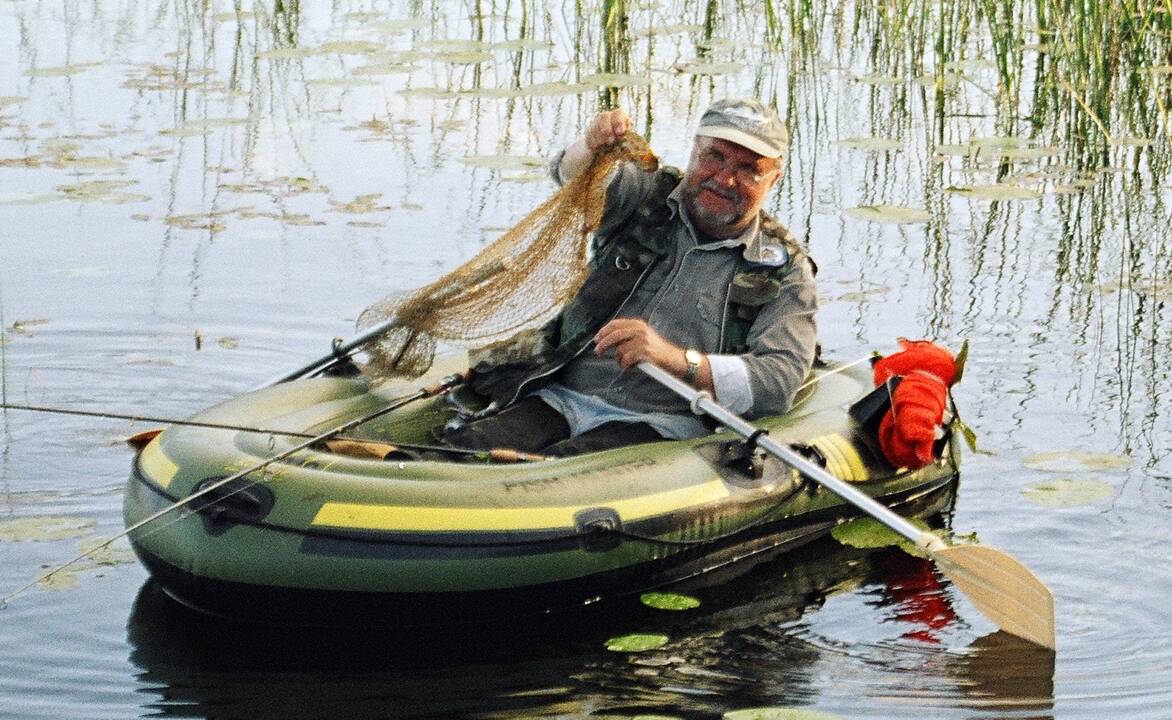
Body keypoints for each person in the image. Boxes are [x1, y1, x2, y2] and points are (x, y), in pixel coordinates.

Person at [444, 98, 818, 457]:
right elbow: (575, 176)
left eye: (748, 169)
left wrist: (676, 360)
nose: (725, 179)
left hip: (662, 425)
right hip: (560, 395)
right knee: (464, 449)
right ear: (694, 151)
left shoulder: (786, 271)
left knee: (560, 472)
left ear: (774, 179)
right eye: (714, 157)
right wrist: (592, 145)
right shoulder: (646, 194)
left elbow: (779, 379)